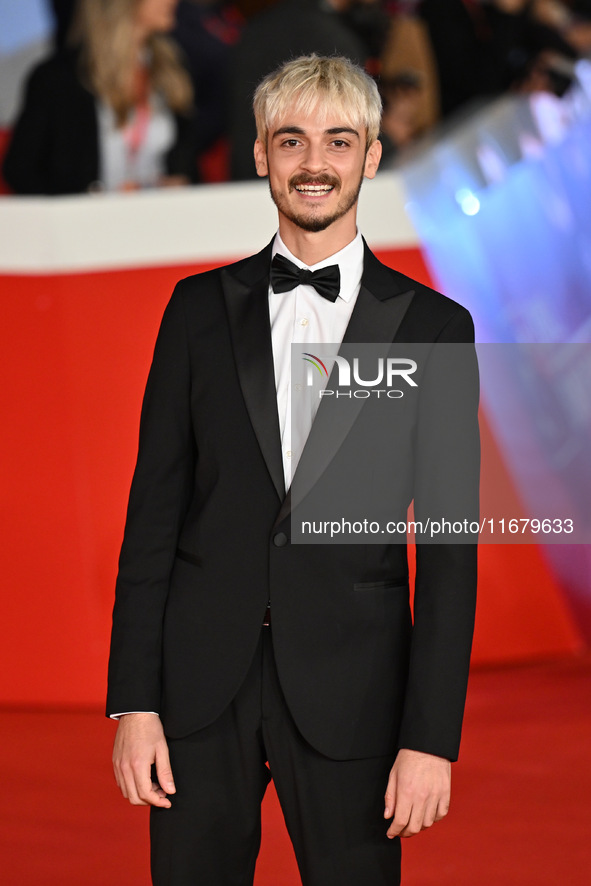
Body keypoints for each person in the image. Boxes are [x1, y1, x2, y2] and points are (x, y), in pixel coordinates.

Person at [107, 54, 479, 886]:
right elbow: (152, 517)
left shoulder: (435, 328)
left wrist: (429, 738)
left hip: (357, 696)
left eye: (338, 141)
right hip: (200, 690)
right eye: (292, 140)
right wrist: (134, 703)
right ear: (260, 156)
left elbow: (452, 554)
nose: (314, 163)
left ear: (371, 157)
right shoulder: (196, 311)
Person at [4, 0, 195, 195]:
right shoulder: (57, 79)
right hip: (83, 221)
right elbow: (20, 170)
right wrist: (76, 205)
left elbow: (188, 162)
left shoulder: (171, 69)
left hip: (159, 216)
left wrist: (177, 181)